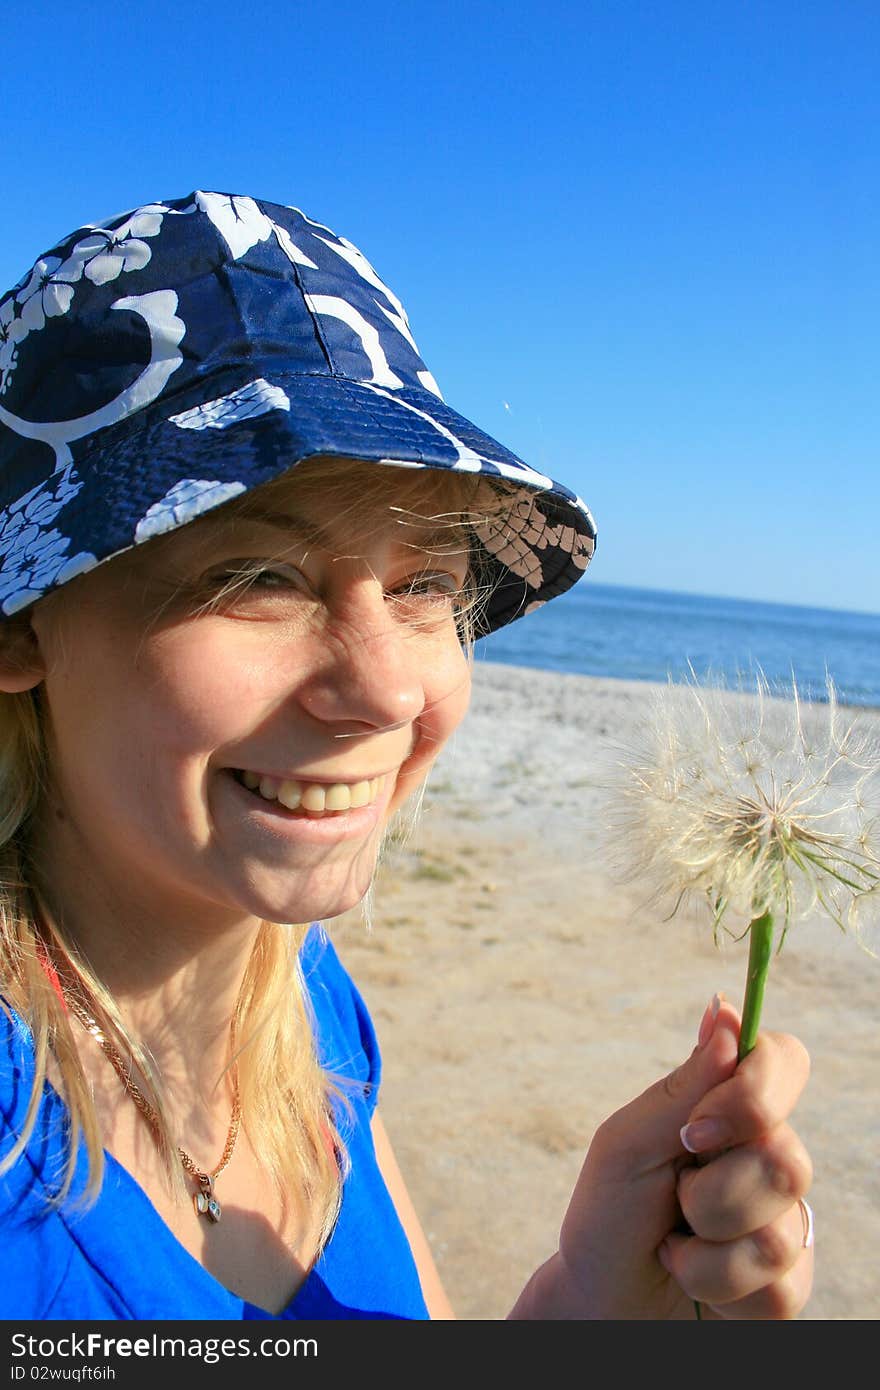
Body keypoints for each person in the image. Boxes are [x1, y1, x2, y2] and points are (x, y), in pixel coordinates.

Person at [0, 190, 814, 1321]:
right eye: (257, 578)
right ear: (23, 622)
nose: (388, 689)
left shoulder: (301, 1000)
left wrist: (591, 1302)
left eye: (424, 582)